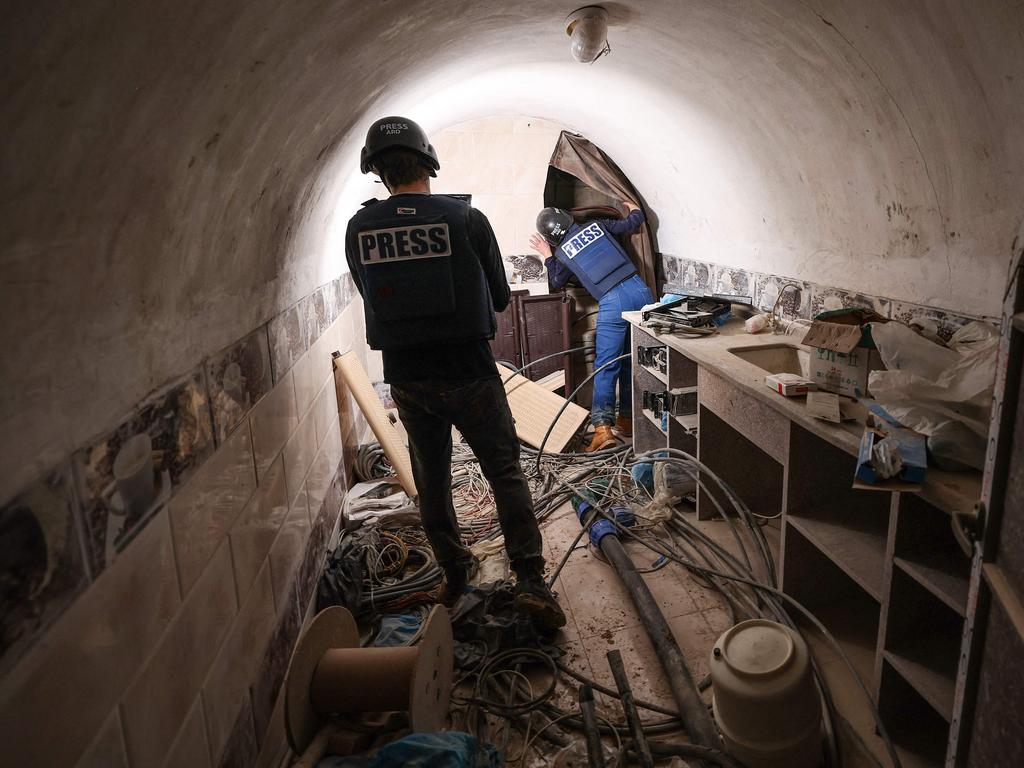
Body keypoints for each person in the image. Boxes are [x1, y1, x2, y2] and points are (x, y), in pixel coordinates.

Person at [345, 116, 566, 632]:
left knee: (432, 478)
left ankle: (455, 574)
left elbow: (368, 292)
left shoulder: (360, 227)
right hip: (470, 372)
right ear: (429, 163)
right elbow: (496, 297)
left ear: (378, 171)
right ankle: (530, 580)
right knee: (504, 471)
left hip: (409, 378)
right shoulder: (467, 220)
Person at [530, 204, 653, 451]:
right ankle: (628, 419)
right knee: (633, 359)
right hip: (641, 291)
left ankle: (602, 429)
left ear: (551, 238)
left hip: (614, 299)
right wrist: (635, 208)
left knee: (607, 365)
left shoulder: (563, 253)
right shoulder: (598, 225)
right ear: (567, 217)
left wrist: (547, 255)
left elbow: (556, 280)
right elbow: (630, 223)